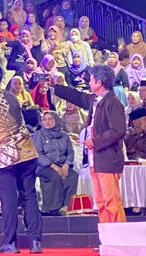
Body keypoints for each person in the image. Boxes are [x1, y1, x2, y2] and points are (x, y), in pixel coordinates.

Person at [0, 61, 43, 253]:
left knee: (9, 199)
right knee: (29, 195)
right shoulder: (12, 98)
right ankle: (36, 241)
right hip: (27, 152)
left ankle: (10, 242)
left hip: (5, 157)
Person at [53, 64, 127, 224]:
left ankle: (118, 234)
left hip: (107, 159)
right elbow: (78, 97)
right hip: (95, 159)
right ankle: (106, 234)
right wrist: (56, 87)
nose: (89, 82)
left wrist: (95, 141)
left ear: (99, 82)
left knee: (111, 201)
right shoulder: (95, 100)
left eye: (92, 79)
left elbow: (118, 130)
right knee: (101, 202)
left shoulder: (113, 103)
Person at [32, 108, 75, 215]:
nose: (47, 122)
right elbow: (38, 154)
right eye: (45, 119)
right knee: (54, 176)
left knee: (72, 176)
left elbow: (70, 152)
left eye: (50, 119)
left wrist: (66, 165)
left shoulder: (64, 136)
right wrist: (53, 166)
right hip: (44, 166)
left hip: (62, 165)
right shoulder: (38, 135)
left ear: (56, 120)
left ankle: (66, 206)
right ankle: (52, 208)